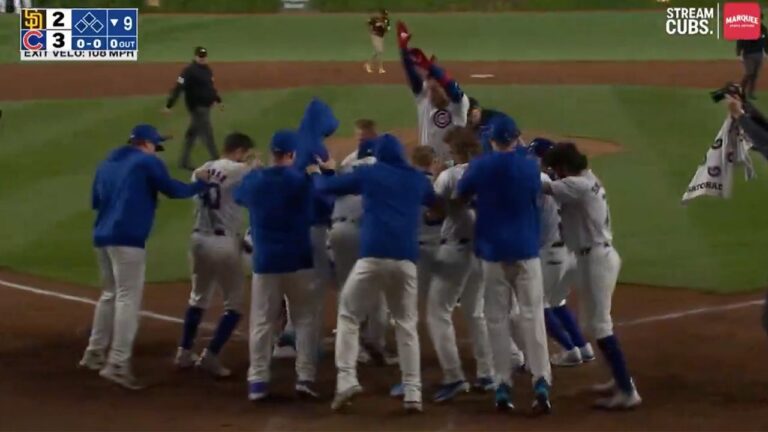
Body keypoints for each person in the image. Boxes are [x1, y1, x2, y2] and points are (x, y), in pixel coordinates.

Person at [310, 134, 437, 413]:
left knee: (348, 314)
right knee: (406, 323)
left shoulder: (370, 173)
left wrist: (320, 172)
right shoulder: (417, 178)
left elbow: (326, 188)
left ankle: (346, 380)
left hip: (372, 258)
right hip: (406, 260)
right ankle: (413, 392)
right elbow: (436, 205)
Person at [79, 124, 209, 390]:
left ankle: (94, 353)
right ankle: (117, 363)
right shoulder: (148, 162)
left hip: (101, 237)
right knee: (128, 298)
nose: (156, 150)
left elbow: (96, 200)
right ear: (146, 143)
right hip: (127, 238)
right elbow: (173, 190)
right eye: (156, 145)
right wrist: (201, 185)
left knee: (110, 294)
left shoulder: (106, 164)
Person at [457, 114, 552, 415]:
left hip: (493, 252)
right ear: (516, 138)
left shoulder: (480, 166)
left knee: (495, 319)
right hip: (526, 251)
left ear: (492, 139)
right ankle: (541, 382)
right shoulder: (529, 166)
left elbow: (460, 195)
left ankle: (502, 385)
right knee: (532, 317)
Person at [541, 142, 641, 410]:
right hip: (589, 257)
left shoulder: (578, 185)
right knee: (593, 323)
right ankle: (620, 380)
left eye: (555, 168)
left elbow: (543, 186)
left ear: (563, 167)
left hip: (596, 258)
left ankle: (627, 391)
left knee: (600, 325)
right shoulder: (587, 178)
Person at [235, 130, 320, 401]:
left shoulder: (255, 180)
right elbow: (315, 207)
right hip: (299, 259)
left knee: (261, 321)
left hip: (265, 261)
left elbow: (239, 197)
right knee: (304, 319)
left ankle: (257, 382)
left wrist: (254, 172)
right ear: (292, 155)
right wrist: (315, 174)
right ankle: (305, 378)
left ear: (272, 152)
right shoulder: (301, 180)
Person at [174, 132, 255, 378]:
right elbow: (257, 174)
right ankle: (210, 355)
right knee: (234, 305)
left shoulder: (201, 169)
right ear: (239, 150)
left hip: (198, 240)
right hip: (223, 243)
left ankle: (184, 351)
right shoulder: (241, 170)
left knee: (198, 298)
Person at [425, 127, 495, 401]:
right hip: (480, 252)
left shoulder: (450, 175)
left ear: (460, 150)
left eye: (451, 150)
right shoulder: (489, 174)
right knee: (476, 312)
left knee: (437, 312)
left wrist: (433, 178)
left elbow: (433, 215)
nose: (448, 154)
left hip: (454, 250)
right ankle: (487, 373)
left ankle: (453, 376)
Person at [327, 119, 393, 365]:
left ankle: (355, 346)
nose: (360, 140)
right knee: (374, 288)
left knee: (349, 289)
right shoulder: (383, 166)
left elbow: (328, 189)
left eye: (362, 137)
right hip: (365, 233)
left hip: (340, 230)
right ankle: (373, 342)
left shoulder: (348, 165)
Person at [528, 137, 595, 367]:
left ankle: (569, 350)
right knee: (557, 302)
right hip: (570, 253)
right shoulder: (570, 181)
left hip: (550, 254)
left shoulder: (541, 179)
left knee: (537, 305)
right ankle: (584, 348)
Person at [397, 21, 470, 164]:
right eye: (430, 82)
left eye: (437, 83)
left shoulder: (458, 104)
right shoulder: (423, 97)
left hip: (453, 164)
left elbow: (451, 88)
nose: (432, 86)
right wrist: (403, 50)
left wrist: (429, 66)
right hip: (427, 164)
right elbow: (413, 77)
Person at [165, 46, 223, 171]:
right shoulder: (188, 71)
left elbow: (210, 88)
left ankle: (183, 161)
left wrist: (217, 99)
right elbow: (178, 87)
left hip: (206, 106)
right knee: (207, 133)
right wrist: (170, 104)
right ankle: (217, 160)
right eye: (200, 56)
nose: (202, 58)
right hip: (197, 107)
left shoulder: (208, 70)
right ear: (195, 56)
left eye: (204, 56)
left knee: (192, 134)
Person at [737, 14, 768, 100]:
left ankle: (751, 93)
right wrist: (739, 54)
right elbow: (740, 41)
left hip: (759, 54)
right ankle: (740, 91)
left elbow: (766, 42)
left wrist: (766, 52)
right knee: (749, 73)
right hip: (748, 54)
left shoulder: (763, 29)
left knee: (754, 75)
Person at [365, 9, 390, 74]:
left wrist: (384, 27)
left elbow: (388, 30)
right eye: (384, 15)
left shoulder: (387, 21)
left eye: (386, 15)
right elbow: (368, 22)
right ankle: (380, 69)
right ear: (381, 14)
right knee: (379, 51)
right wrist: (370, 30)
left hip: (381, 37)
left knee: (377, 52)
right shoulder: (375, 19)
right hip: (374, 36)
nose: (385, 16)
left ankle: (368, 64)